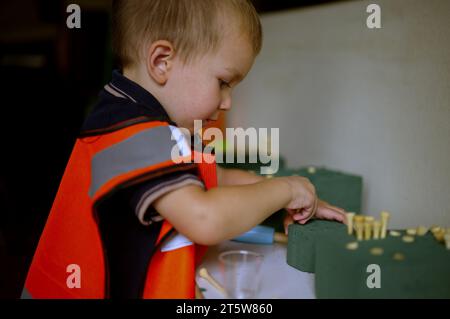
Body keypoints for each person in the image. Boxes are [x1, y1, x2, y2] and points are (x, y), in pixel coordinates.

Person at [22, 0, 346, 299]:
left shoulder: (139, 118)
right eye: (223, 82)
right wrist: (286, 189)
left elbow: (216, 177)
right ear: (162, 61)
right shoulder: (130, 133)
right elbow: (205, 218)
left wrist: (298, 198)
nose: (227, 101)